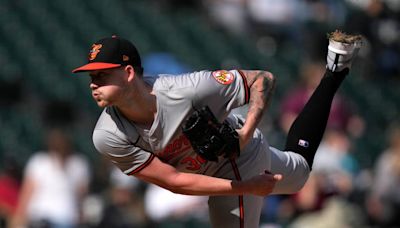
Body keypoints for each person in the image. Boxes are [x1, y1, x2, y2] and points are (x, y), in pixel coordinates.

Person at [71, 31, 362, 228]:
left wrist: (245, 134)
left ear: (129, 72)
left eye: (101, 75)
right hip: (218, 174)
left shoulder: (184, 90)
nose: (93, 83)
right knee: (299, 174)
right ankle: (335, 70)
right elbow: (174, 181)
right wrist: (247, 188)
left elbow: (261, 80)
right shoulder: (108, 134)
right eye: (90, 77)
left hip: (239, 159)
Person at [10, 128, 90, 228]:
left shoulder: (78, 164)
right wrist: (19, 216)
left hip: (65, 219)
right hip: (42, 218)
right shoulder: (39, 161)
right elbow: (27, 193)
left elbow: (82, 196)